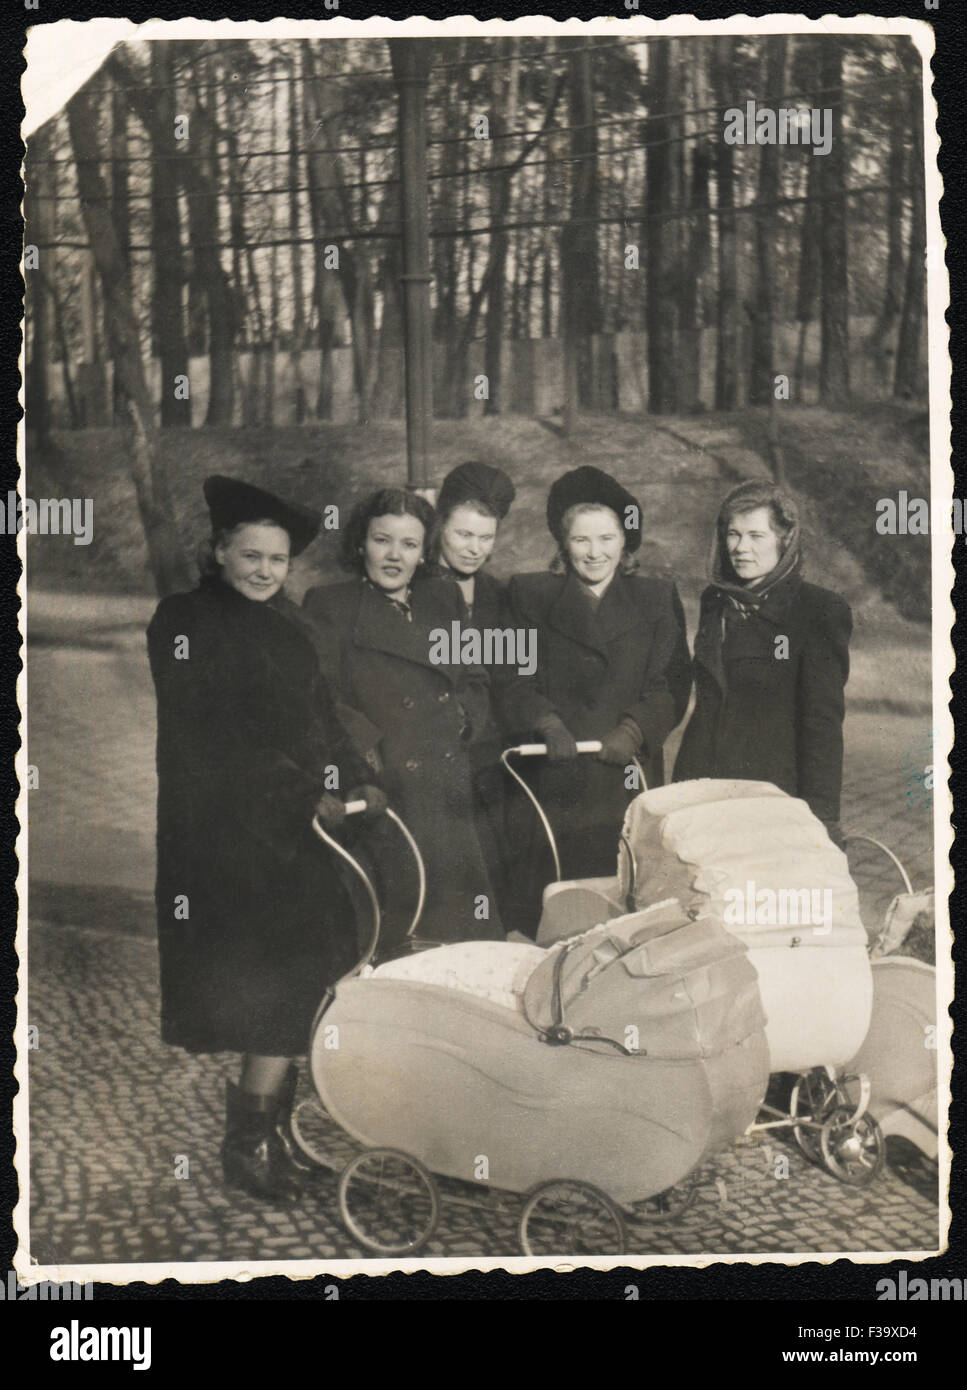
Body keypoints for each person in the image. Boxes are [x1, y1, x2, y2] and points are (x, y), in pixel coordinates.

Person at [146, 475, 386, 1203]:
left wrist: (359, 775)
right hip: (226, 842)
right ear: (218, 551)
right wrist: (298, 793)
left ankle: (275, 1135)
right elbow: (207, 737)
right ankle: (245, 1144)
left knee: (308, 980)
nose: (262, 570)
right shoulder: (183, 621)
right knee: (268, 989)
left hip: (300, 837)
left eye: (276, 560)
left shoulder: (292, 626)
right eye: (248, 555)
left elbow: (322, 718)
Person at [302, 487, 505, 947]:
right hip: (387, 791)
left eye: (409, 545)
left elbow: (474, 675)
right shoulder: (330, 605)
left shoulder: (444, 598)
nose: (395, 556)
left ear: (424, 551)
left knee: (465, 936)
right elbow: (323, 697)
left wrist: (462, 717)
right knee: (403, 934)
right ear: (360, 543)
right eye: (382, 540)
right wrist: (368, 751)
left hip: (449, 790)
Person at [500, 466, 691, 921]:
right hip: (553, 776)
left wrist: (634, 729)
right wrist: (545, 722)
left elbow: (671, 682)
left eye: (606, 539)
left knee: (624, 903)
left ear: (625, 543)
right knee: (553, 907)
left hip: (625, 774)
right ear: (563, 545)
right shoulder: (528, 596)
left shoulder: (656, 598)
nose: (594, 552)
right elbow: (511, 675)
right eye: (582, 541)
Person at [673, 479, 851, 843]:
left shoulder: (817, 610)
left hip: (771, 797)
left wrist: (822, 818)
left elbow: (822, 724)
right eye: (733, 535)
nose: (740, 548)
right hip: (701, 789)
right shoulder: (715, 601)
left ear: (784, 540)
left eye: (756, 536)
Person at [430, 461, 517, 919]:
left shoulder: (497, 596)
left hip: (487, 764)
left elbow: (507, 677)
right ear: (440, 524)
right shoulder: (414, 586)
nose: (474, 549)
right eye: (464, 535)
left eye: (486, 538)